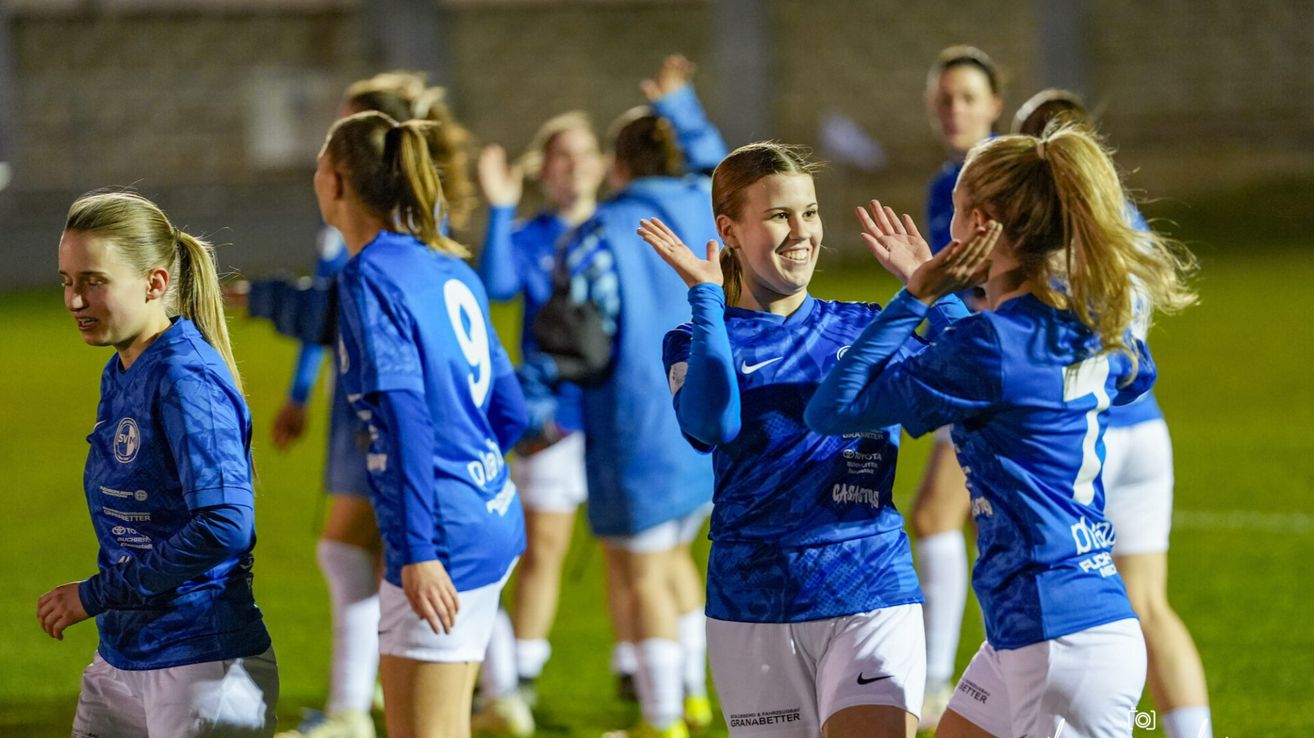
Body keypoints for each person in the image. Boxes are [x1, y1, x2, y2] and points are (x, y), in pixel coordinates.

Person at [805, 125, 1196, 737]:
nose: (949, 233)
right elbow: (1124, 373)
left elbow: (834, 408)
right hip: (1056, 623)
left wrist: (916, 296)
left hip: (1056, 639)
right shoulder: (1085, 322)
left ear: (983, 225)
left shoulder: (993, 344)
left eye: (957, 213)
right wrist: (937, 294)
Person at [641, 142, 977, 736]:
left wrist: (931, 288)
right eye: (779, 215)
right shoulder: (694, 339)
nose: (802, 233)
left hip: (870, 589)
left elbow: (980, 374)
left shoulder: (865, 327)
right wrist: (708, 303)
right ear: (729, 230)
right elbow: (712, 425)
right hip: (752, 604)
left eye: (811, 213)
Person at [236, 71, 476, 738]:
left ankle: (351, 706)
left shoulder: (381, 256)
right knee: (386, 555)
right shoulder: (427, 242)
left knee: (373, 553)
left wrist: (264, 303)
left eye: (342, 130)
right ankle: (483, 684)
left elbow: (340, 315)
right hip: (461, 473)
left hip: (388, 420)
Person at [519, 55, 726, 738]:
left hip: (636, 426)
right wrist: (683, 107)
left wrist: (529, 398)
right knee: (671, 560)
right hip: (704, 421)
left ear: (618, 166)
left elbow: (577, 339)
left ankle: (662, 720)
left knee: (640, 574)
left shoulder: (600, 233)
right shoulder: (707, 206)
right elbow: (723, 161)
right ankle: (693, 697)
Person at [314, 109, 528, 738]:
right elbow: (510, 410)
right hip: (492, 513)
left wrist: (418, 550)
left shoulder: (369, 277)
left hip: (443, 539)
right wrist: (471, 476)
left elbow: (406, 421)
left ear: (337, 181)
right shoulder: (448, 264)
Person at [1013, 89, 1213, 738]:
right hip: (1145, 428)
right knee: (1150, 605)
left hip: (1080, 442)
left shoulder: (1049, 231)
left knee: (1057, 607)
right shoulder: (1123, 215)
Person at [44, 190, 278, 737]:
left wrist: (95, 593)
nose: (75, 301)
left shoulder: (185, 378)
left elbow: (225, 524)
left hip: (202, 665)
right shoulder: (123, 368)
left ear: (154, 284)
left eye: (93, 281)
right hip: (124, 657)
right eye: (67, 281)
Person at [470, 110, 603, 735]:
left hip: (620, 416)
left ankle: (658, 675)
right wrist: (501, 207)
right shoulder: (533, 236)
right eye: (561, 156)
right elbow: (495, 285)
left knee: (644, 555)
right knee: (541, 547)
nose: (574, 166)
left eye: (584, 153)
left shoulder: (622, 229)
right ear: (544, 171)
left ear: (602, 164)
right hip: (555, 418)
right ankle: (517, 677)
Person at [915, 44, 1005, 728]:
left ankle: (935, 683)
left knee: (933, 516)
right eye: (945, 98)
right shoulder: (944, 183)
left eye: (968, 97)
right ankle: (999, 669)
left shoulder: (1012, 178)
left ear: (995, 105)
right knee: (981, 525)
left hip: (1000, 369)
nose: (954, 109)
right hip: (969, 357)